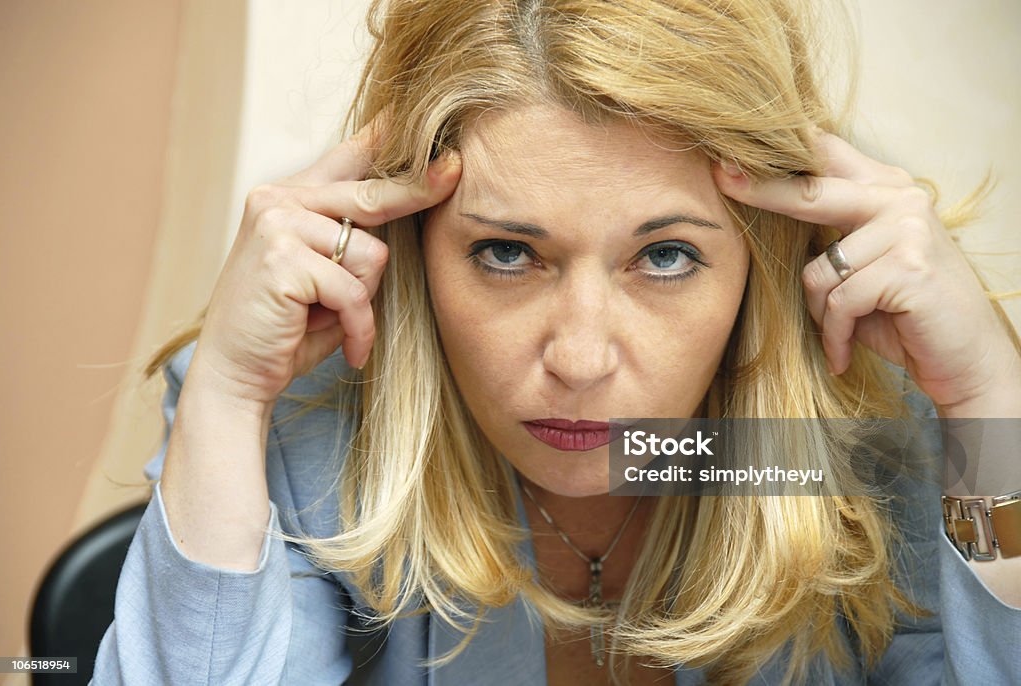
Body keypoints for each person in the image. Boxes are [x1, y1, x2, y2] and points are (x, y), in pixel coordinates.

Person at [91, 0, 1021, 683]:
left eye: (664, 256)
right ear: (412, 247)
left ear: (761, 257)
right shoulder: (306, 423)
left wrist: (991, 406)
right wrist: (226, 396)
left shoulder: (851, 423)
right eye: (506, 252)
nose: (579, 358)